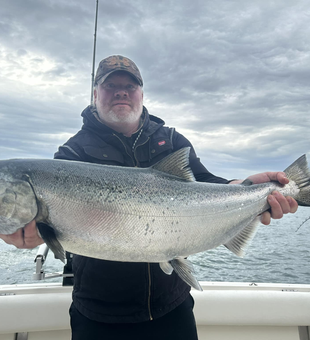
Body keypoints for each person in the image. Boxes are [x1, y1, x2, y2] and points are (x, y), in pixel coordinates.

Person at [0, 55, 298, 339]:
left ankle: (301, 185)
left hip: (172, 305)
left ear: (141, 93)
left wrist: (248, 187)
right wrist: (30, 236)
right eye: (110, 86)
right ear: (95, 95)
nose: (121, 93)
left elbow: (209, 185)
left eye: (130, 86)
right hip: (98, 312)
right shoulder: (72, 153)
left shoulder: (170, 140)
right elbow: (44, 229)